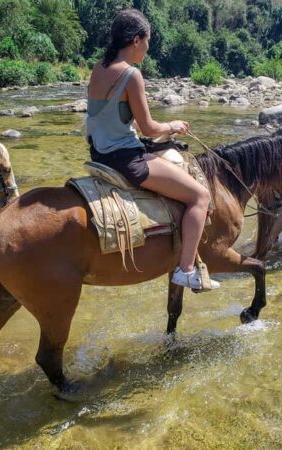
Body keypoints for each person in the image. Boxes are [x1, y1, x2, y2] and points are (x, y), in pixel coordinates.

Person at [86, 9, 218, 290]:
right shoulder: (132, 75)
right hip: (125, 158)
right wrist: (173, 124)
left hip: (99, 152)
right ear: (136, 40)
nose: (147, 48)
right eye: (147, 42)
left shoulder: (99, 66)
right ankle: (186, 269)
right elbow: (148, 127)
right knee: (199, 196)